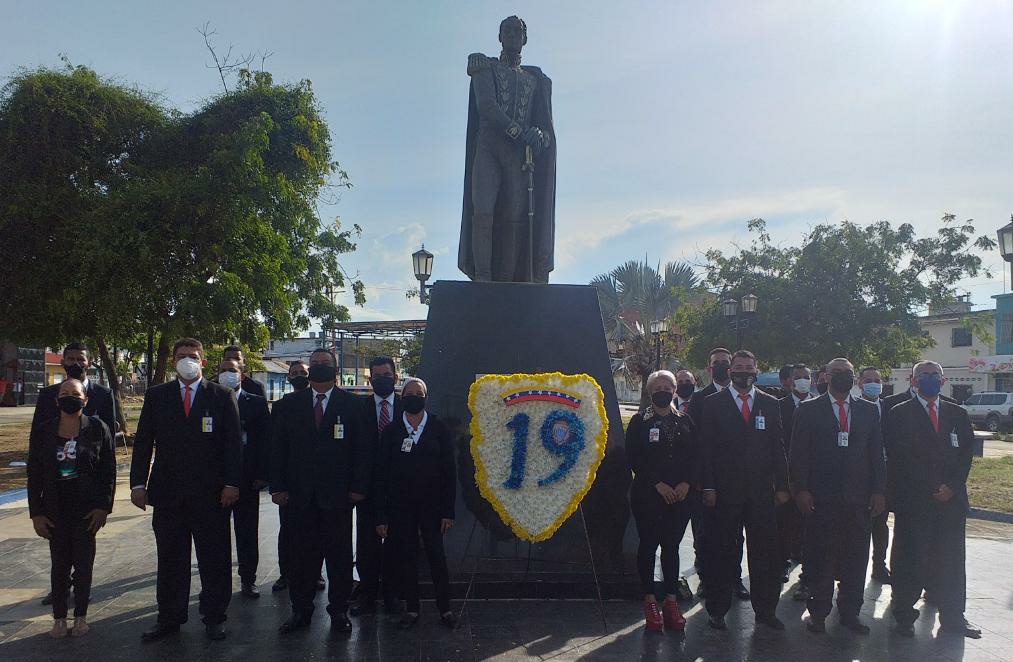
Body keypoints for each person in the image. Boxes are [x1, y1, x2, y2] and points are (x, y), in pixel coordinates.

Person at [129, 338, 243, 642]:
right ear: (173, 362)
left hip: (212, 495)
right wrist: (138, 484)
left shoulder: (222, 395)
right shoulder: (157, 396)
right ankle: (169, 617)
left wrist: (232, 483)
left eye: (192, 356)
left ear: (203, 361)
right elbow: (143, 442)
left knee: (214, 559)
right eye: (181, 356)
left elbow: (233, 445)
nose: (186, 361)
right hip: (168, 494)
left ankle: (214, 617)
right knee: (170, 559)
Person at [270, 348, 370, 634]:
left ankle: (338, 610)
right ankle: (301, 611)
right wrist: (277, 487)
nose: (320, 367)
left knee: (339, 558)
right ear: (309, 369)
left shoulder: (353, 406)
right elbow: (277, 450)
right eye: (315, 364)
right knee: (301, 559)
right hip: (298, 497)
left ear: (335, 369)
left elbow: (363, 452)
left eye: (325, 364)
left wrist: (358, 488)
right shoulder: (287, 406)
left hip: (338, 497)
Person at [790, 358, 886, 635]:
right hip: (821, 499)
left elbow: (876, 454)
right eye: (838, 373)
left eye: (848, 373)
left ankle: (850, 613)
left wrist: (880, 490)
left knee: (856, 559)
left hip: (858, 500)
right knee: (821, 558)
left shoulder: (868, 411)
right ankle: (818, 613)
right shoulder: (809, 410)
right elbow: (799, 455)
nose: (843, 377)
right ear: (826, 377)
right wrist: (802, 490)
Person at [459, 15, 556, 283]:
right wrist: (520, 132)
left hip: (518, 156)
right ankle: (483, 278)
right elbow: (487, 107)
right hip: (489, 146)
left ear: (525, 39)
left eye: (518, 31)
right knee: (483, 210)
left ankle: (505, 282)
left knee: (515, 216)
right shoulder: (483, 66)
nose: (513, 35)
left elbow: (546, 132)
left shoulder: (537, 81)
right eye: (507, 30)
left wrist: (538, 135)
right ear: (499, 37)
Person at [886, 361, 980, 639]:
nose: (929, 379)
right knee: (910, 559)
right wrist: (932, 486)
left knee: (951, 561)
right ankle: (904, 614)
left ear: (943, 380)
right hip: (915, 501)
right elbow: (899, 456)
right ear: (913, 381)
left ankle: (953, 617)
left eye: (934, 376)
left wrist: (951, 487)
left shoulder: (957, 412)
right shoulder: (898, 413)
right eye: (923, 375)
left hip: (951, 502)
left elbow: (965, 455)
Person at [700, 350, 789, 631]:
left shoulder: (770, 404)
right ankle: (717, 609)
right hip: (725, 493)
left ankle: (765, 611)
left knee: (765, 555)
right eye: (738, 367)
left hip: (761, 492)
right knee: (723, 552)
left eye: (749, 367)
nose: (744, 372)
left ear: (756, 370)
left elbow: (779, 448)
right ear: (730, 372)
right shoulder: (713, 404)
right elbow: (706, 450)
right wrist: (709, 485)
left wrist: (783, 485)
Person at [28, 379, 116, 638]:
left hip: (87, 510)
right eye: (64, 393)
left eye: (75, 394)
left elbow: (108, 471)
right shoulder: (44, 430)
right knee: (59, 564)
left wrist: (103, 507)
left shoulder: (98, 428)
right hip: (54, 509)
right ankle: (58, 618)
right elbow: (34, 474)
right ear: (57, 401)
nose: (69, 397)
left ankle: (80, 616)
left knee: (84, 563)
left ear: (85, 399)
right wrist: (37, 513)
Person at [374, 378, 456, 629]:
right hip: (401, 507)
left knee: (436, 556)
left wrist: (447, 512)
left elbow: (448, 473)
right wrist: (381, 516)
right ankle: (412, 607)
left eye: (418, 393)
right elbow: (381, 474)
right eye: (408, 393)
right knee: (406, 557)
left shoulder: (439, 428)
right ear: (402, 397)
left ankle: (446, 608)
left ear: (425, 397)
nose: (413, 396)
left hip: (432, 507)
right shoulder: (391, 431)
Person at [625, 370, 697, 632]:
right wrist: (658, 483)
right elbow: (634, 457)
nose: (663, 390)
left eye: (668, 386)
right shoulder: (639, 422)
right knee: (649, 545)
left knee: (671, 547)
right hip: (649, 495)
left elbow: (694, 456)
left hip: (680, 496)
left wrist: (686, 482)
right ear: (649, 392)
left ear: (675, 390)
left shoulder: (685, 421)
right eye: (658, 387)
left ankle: (671, 600)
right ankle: (650, 601)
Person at [688, 347, 748, 601]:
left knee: (736, 535)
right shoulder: (701, 398)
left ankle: (734, 578)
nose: (722, 367)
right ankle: (705, 578)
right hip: (709, 480)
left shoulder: (746, 396)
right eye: (717, 364)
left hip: (737, 480)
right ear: (710, 368)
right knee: (705, 534)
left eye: (726, 362)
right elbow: (695, 441)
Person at [350, 356, 402, 616]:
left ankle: (392, 593)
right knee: (367, 543)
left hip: (398, 488)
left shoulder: (407, 407)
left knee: (395, 543)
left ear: (396, 376)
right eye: (377, 375)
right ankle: (368, 593)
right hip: (367, 488)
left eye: (387, 374)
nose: (383, 378)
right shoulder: (359, 408)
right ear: (370, 379)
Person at [218, 358, 271, 599]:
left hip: (248, 479)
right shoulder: (210, 398)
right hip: (216, 480)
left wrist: (263, 474)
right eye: (223, 371)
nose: (227, 374)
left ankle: (248, 579)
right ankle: (218, 584)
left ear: (242, 375)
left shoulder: (256, 403)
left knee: (247, 532)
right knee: (217, 535)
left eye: (232, 370)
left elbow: (265, 441)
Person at [271, 360, 310, 594]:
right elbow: (276, 447)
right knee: (287, 530)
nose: (298, 376)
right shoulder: (282, 406)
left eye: (302, 373)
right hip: (291, 482)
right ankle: (285, 573)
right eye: (294, 373)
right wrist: (277, 485)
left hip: (316, 482)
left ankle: (314, 574)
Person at [778, 363, 814, 599]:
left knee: (811, 532)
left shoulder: (820, 406)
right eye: (798, 377)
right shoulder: (778, 407)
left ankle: (808, 578)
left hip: (814, 482)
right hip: (786, 480)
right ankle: (781, 563)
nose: (802, 381)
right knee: (784, 527)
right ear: (789, 381)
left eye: (806, 377)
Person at [858, 366, 892, 583]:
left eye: (877, 380)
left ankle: (879, 566)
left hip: (884, 476)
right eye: (868, 380)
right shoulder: (853, 407)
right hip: (858, 477)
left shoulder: (891, 409)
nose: (873, 384)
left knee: (880, 525)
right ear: (860, 383)